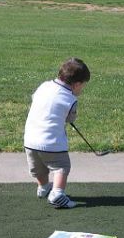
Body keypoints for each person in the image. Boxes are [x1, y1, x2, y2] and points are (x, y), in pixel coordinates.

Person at [24, 58, 90, 209]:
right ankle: (57, 194)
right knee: (61, 167)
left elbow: (36, 99)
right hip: (52, 142)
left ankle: (43, 188)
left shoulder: (44, 86)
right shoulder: (70, 98)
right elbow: (70, 118)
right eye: (82, 86)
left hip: (30, 140)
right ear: (77, 84)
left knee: (38, 168)